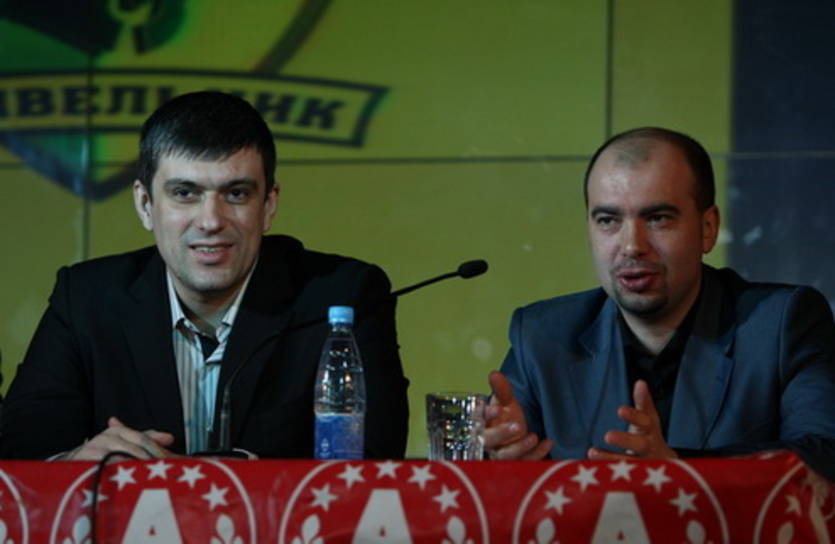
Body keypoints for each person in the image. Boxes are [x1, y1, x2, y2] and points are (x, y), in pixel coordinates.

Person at [0, 91, 409, 460]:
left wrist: (214, 478)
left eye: (236, 194)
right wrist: (75, 464)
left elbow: (373, 457)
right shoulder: (87, 298)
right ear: (145, 204)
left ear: (268, 206)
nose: (211, 221)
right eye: (185, 193)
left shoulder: (343, 296)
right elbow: (20, 451)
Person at [485, 127, 835, 477]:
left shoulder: (781, 325)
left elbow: (823, 453)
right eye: (608, 220)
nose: (632, 245)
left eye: (658, 219)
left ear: (708, 228)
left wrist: (675, 470)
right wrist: (498, 459)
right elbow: (503, 463)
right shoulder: (542, 337)